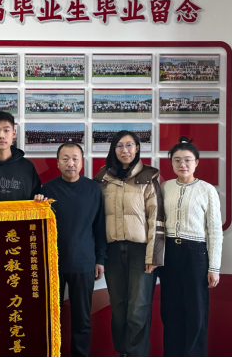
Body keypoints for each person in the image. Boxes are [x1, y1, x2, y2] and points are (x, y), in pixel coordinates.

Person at [93, 130, 165, 358]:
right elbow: (95, 218)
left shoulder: (149, 177)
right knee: (118, 308)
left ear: (137, 148)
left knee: (138, 309)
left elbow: (157, 219)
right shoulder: (103, 178)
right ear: (113, 149)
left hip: (140, 252)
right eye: (119, 145)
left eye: (129, 145)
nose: (124, 150)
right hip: (112, 251)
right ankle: (122, 352)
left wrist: (154, 256)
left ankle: (137, 354)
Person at [41, 143, 107, 358]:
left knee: (82, 320)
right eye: (65, 159)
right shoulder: (46, 190)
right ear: (57, 162)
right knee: (51, 318)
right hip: (52, 264)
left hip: (84, 263)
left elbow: (99, 227)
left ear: (81, 162)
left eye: (75, 159)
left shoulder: (93, 189)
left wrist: (100, 259)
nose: (70, 163)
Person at [160, 137, 223, 357]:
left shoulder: (207, 190)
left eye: (187, 160)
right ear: (171, 163)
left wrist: (214, 267)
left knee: (196, 311)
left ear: (196, 162)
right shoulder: (165, 187)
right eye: (177, 160)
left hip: (196, 254)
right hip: (169, 253)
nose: (182, 164)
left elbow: (215, 231)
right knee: (170, 310)